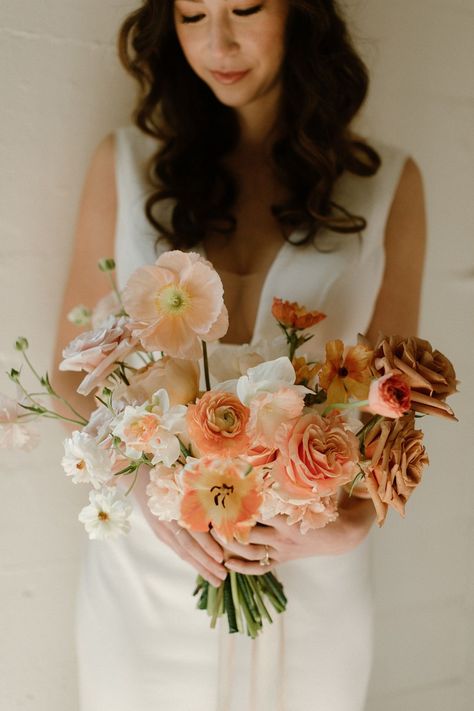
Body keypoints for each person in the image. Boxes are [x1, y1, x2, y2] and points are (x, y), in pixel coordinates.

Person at [51, 1, 426, 709]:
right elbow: (72, 366)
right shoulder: (127, 166)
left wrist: (354, 520)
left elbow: (399, 400)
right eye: (192, 14)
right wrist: (138, 483)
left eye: (245, 7)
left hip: (311, 568)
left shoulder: (387, 187)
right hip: (149, 566)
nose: (217, 42)